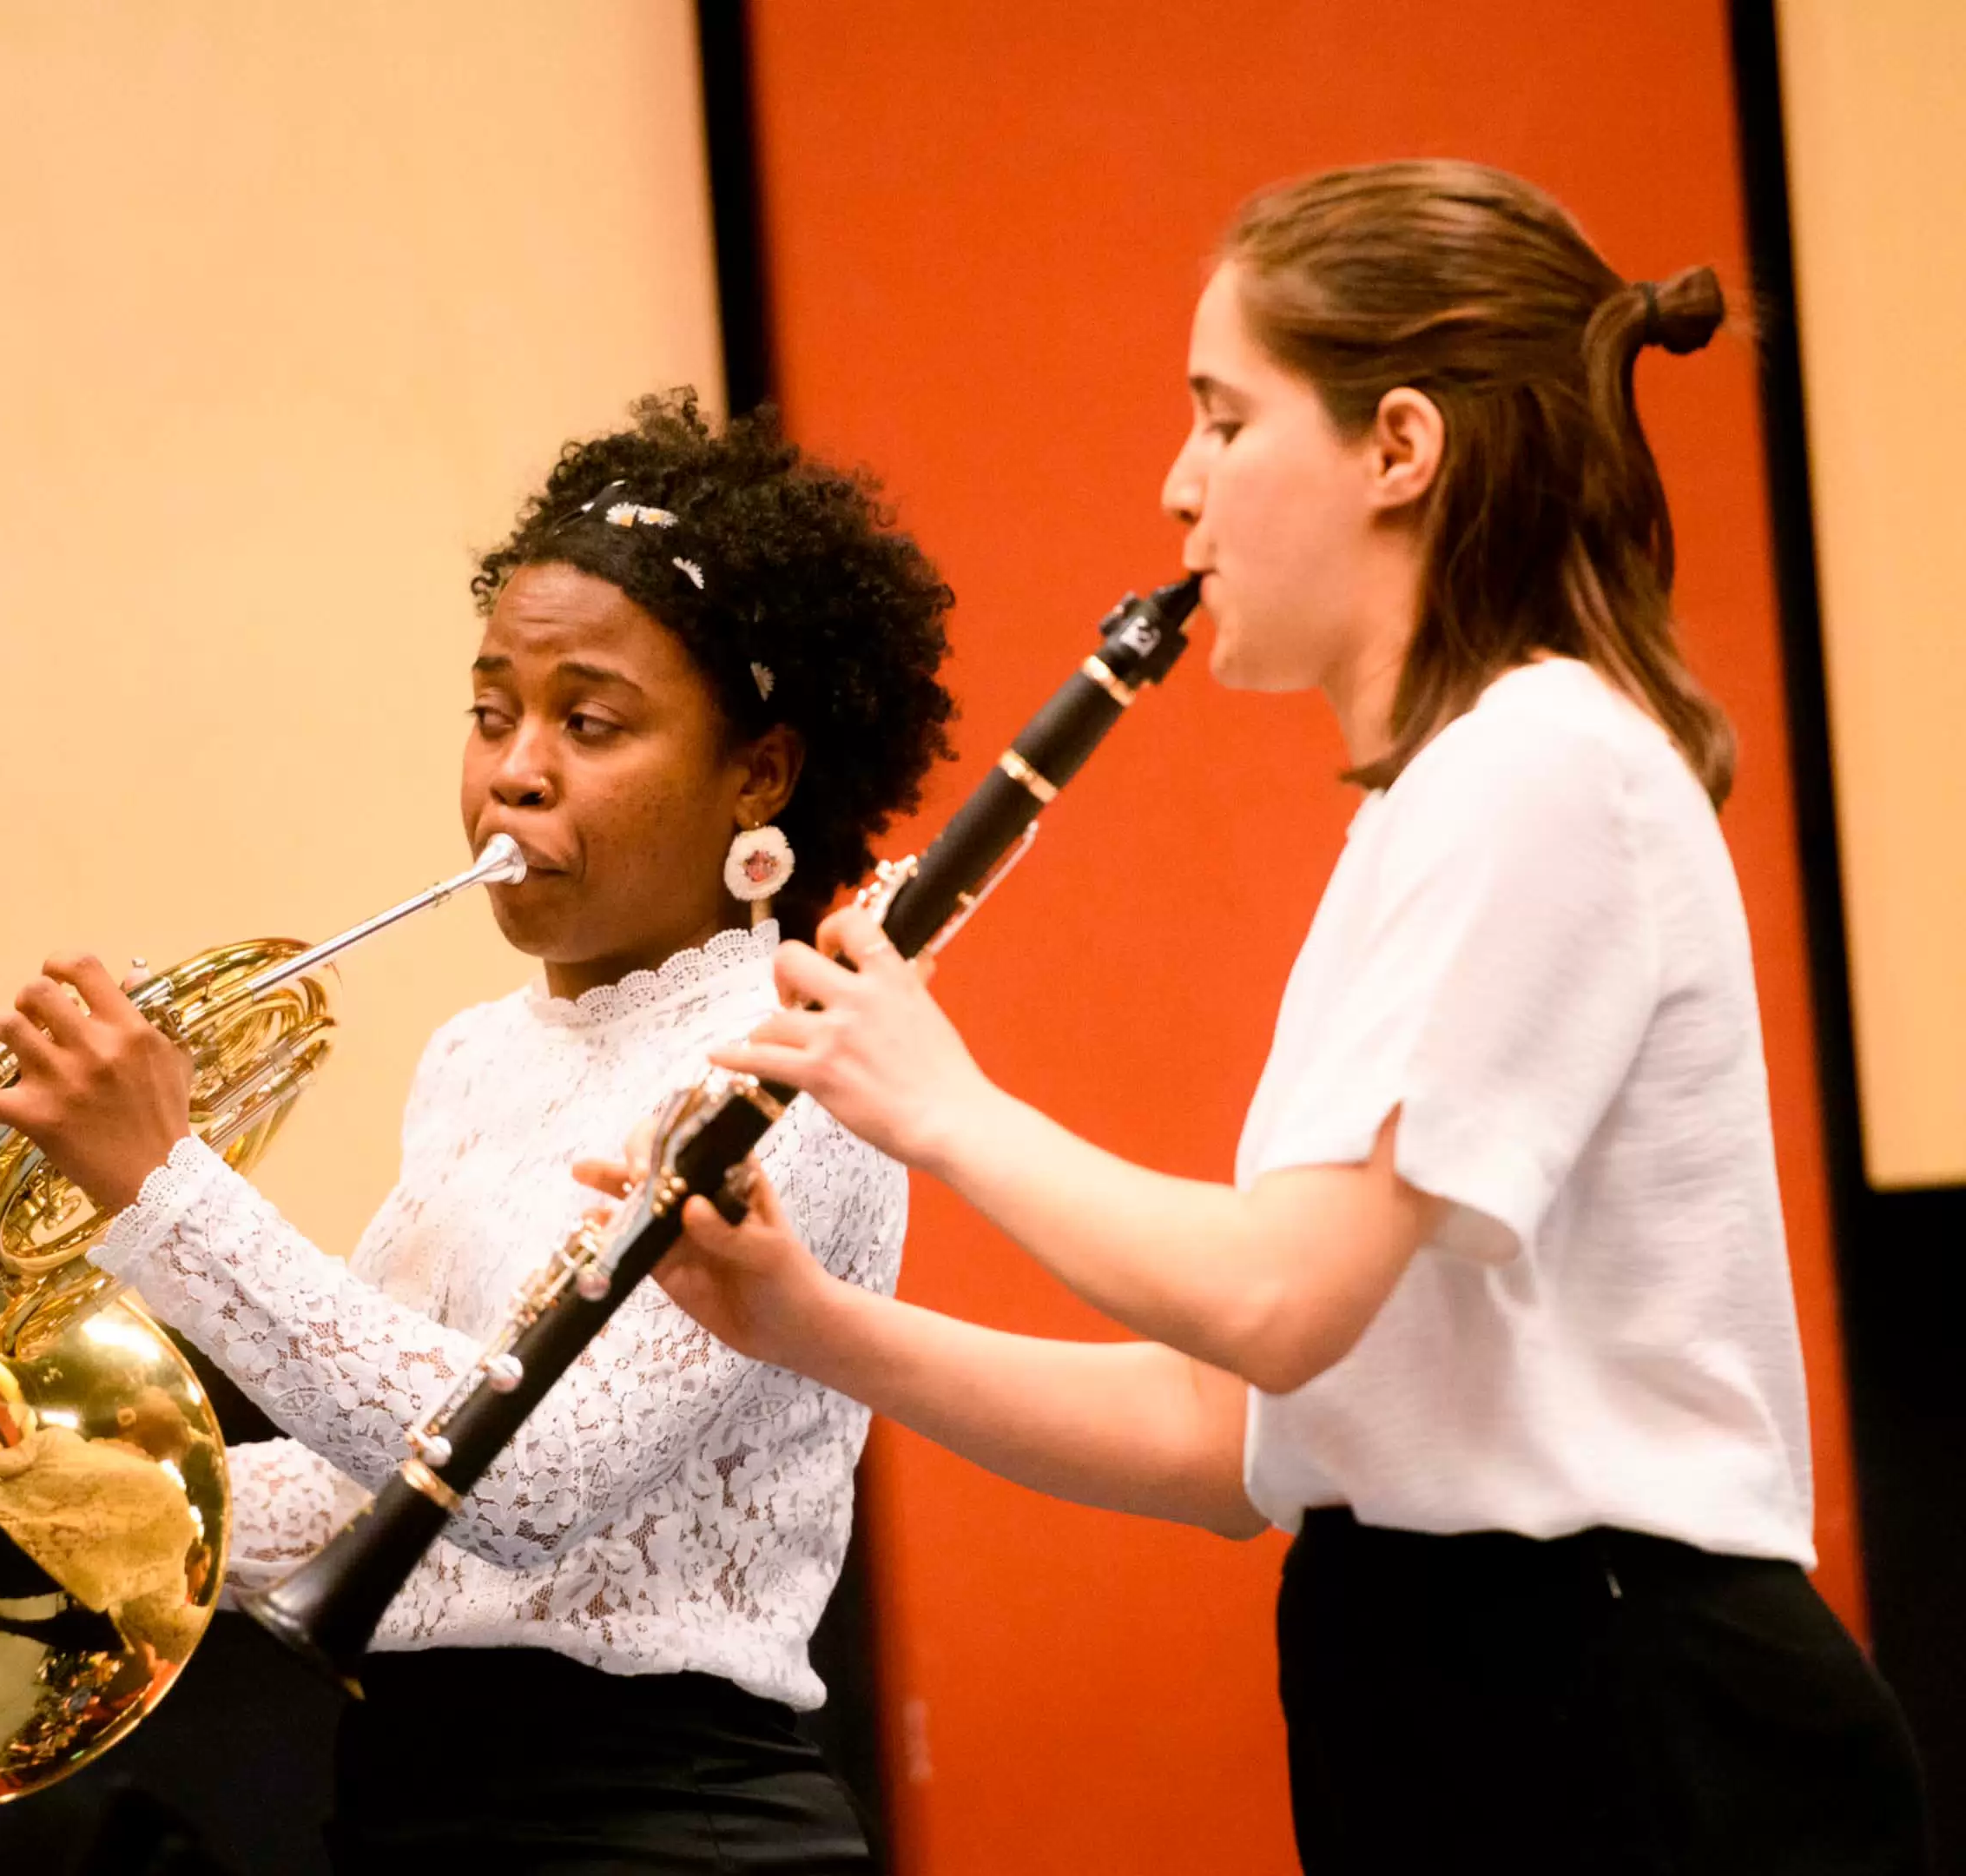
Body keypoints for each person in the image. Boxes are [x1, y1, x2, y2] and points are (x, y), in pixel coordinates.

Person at [601, 165, 1932, 1873]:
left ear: (1399, 447)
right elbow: (1243, 1437)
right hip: (1467, 1681)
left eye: (1223, 422)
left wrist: (941, 1101)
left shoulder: (1539, 769)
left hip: (1630, 1711)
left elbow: (1279, 1302)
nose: (1179, 487)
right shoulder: (1440, 800)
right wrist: (815, 1329)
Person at [0, 391, 956, 1872]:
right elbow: (388, 1474)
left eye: (588, 721)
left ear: (762, 775)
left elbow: (528, 1472)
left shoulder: (793, 1056)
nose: (517, 768)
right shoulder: (473, 1057)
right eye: (492, 714)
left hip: (662, 1829)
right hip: (409, 1805)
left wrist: (161, 1185)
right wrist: (50, 1473)